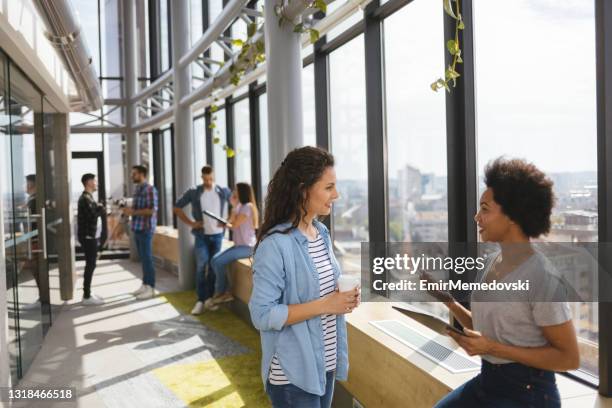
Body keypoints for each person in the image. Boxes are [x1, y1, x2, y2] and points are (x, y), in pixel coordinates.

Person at [434, 158, 579, 408]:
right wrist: (448, 302)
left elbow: (569, 358)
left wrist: (492, 348)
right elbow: (488, 328)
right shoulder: (490, 263)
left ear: (513, 215)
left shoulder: (542, 278)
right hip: (488, 382)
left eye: (485, 209)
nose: (476, 217)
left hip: (528, 393)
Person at [248, 146, 360, 408]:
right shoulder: (275, 245)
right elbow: (262, 314)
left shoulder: (320, 233)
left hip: (325, 365)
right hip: (292, 376)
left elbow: (319, 290)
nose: (337, 194)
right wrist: (327, 305)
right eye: (329, 187)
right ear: (303, 190)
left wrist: (344, 298)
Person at [173, 165, 231, 315]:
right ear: (201, 177)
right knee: (201, 266)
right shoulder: (194, 192)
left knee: (212, 267)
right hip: (201, 235)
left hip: (218, 235)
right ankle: (200, 300)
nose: (208, 182)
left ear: (214, 177)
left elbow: (237, 206)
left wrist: (227, 220)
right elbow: (177, 207)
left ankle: (208, 299)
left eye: (210, 179)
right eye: (205, 179)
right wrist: (191, 223)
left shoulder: (223, 192)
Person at [208, 182, 259, 306]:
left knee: (218, 261)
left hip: (248, 247)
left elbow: (234, 225)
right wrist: (233, 206)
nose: (234, 192)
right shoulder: (240, 206)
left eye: (236, 190)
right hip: (239, 246)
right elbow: (231, 221)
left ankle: (223, 292)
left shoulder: (248, 206)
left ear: (242, 191)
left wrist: (225, 224)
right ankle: (223, 291)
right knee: (215, 260)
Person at [124, 165, 159, 300]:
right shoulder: (138, 189)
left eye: (134, 174)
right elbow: (137, 208)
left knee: (147, 259)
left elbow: (152, 210)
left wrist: (132, 212)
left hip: (146, 229)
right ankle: (145, 284)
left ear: (142, 174)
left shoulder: (150, 190)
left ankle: (150, 288)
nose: (132, 176)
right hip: (137, 228)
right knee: (143, 259)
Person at [77, 173, 105, 305]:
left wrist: (98, 207)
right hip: (88, 237)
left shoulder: (88, 198)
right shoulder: (85, 199)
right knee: (91, 264)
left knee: (91, 264)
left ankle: (87, 293)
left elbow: (92, 213)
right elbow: (92, 216)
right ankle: (86, 296)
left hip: (90, 236)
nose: (97, 183)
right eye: (95, 181)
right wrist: (101, 209)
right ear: (88, 182)